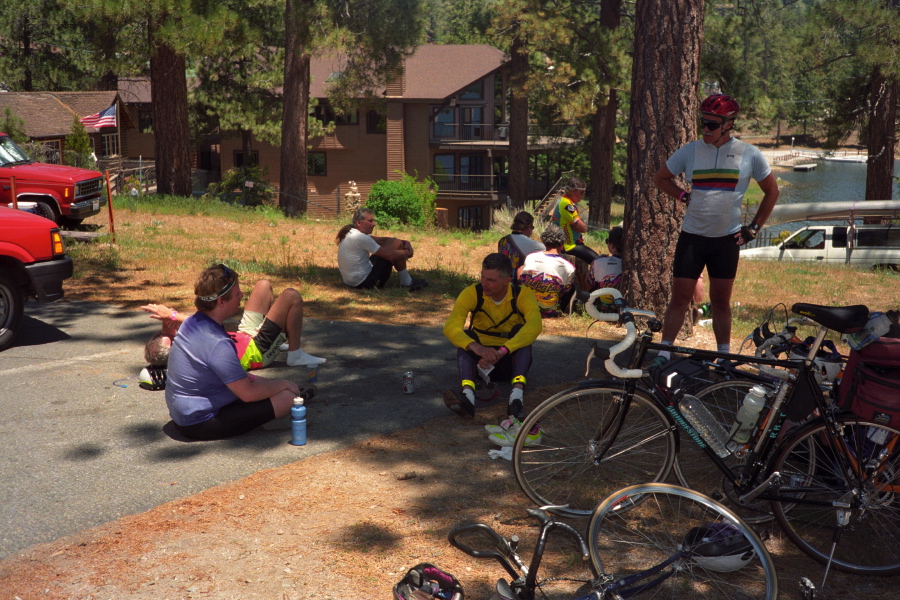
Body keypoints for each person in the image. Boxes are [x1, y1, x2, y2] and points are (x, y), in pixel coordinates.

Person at [652, 93, 779, 363]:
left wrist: (754, 228)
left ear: (728, 124)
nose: (706, 129)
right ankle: (663, 352)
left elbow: (771, 192)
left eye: (712, 124)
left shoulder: (749, 154)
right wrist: (683, 196)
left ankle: (723, 357)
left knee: (720, 302)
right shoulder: (690, 151)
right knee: (680, 298)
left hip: (726, 241)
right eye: (703, 123)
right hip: (692, 238)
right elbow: (661, 178)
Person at [162, 265, 304, 441]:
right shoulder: (217, 343)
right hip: (200, 423)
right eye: (237, 294)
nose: (241, 296)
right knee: (288, 399)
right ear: (221, 301)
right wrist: (283, 384)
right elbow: (248, 393)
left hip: (184, 414)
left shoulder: (194, 321)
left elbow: (235, 378)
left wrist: (270, 384)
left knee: (270, 387)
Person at [442, 253, 542, 425]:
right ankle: (467, 397)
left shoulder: (522, 294)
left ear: (506, 280)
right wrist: (477, 349)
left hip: (509, 361)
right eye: (482, 276)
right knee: (466, 336)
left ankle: (516, 399)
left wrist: (503, 351)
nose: (484, 283)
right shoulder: (472, 293)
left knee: (522, 332)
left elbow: (535, 326)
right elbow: (450, 327)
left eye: (491, 280)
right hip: (480, 363)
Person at [142, 279, 326, 371]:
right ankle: (295, 354)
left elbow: (178, 330)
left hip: (243, 336)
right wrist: (173, 315)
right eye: (172, 338)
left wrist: (167, 323)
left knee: (263, 285)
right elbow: (204, 324)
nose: (175, 333)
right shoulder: (191, 355)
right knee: (291, 296)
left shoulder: (182, 345)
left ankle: (279, 341)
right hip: (257, 350)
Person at [336, 207, 428, 291]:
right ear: (359, 222)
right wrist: (407, 252)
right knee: (396, 245)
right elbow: (390, 255)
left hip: (350, 282)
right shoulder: (362, 238)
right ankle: (406, 281)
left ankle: (406, 279)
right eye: (370, 221)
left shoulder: (351, 233)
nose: (374, 224)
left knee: (395, 242)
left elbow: (382, 240)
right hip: (365, 283)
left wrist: (406, 243)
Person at [518, 225, 588, 317]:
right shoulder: (568, 267)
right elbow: (564, 292)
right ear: (562, 243)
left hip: (526, 309)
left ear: (543, 241)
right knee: (572, 287)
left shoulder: (531, 257)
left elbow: (523, 280)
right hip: (550, 313)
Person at [551, 177, 600, 265]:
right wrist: (578, 224)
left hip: (574, 243)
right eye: (582, 192)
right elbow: (583, 228)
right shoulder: (566, 205)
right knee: (598, 262)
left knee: (597, 262)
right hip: (569, 245)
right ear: (573, 191)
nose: (583, 195)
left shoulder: (567, 202)